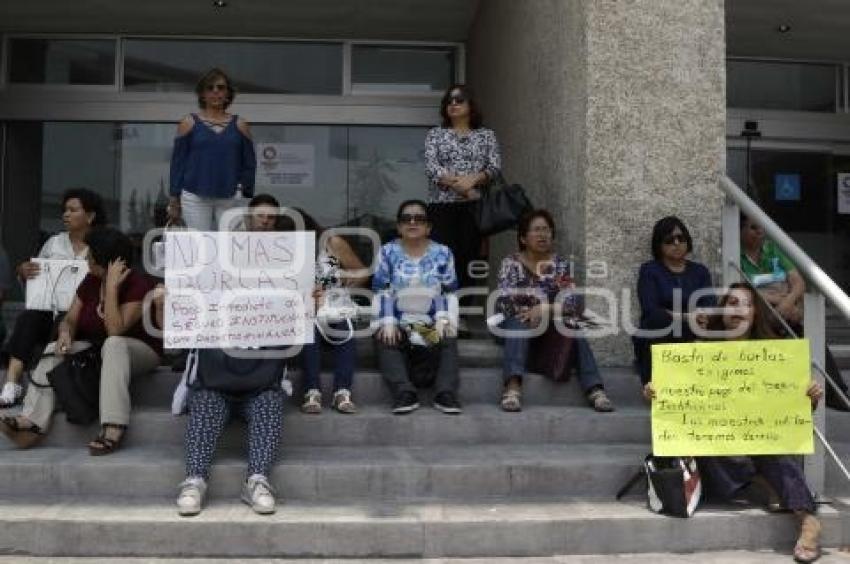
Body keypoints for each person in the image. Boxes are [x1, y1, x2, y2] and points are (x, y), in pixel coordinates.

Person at [644, 282, 823, 563]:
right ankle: (762, 484)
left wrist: (810, 398)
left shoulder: (776, 355)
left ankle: (808, 520)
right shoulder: (699, 351)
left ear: (755, 315)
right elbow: (676, 407)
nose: (738, 309)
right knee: (701, 443)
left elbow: (791, 416)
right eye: (732, 303)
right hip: (718, 451)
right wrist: (655, 392)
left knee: (772, 450)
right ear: (722, 311)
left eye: (746, 304)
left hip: (761, 442)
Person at [0, 227, 161, 455]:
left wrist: (112, 287)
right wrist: (65, 333)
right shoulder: (90, 280)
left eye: (91, 255)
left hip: (138, 351)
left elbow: (115, 330)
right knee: (52, 349)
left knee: (113, 344)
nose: (85, 258)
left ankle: (113, 426)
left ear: (106, 262)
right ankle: (31, 422)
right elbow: (71, 319)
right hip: (96, 349)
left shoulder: (138, 285)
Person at [496, 210, 614, 413]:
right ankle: (513, 387)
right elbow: (506, 301)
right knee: (517, 322)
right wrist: (531, 313)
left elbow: (573, 303)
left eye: (547, 230)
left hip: (547, 325)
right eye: (537, 230)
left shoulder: (559, 265)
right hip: (514, 323)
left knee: (573, 328)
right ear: (523, 238)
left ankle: (595, 389)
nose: (543, 235)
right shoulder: (511, 263)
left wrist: (545, 309)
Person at [0, 188, 106, 407]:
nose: (65, 214)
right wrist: (24, 271)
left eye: (72, 210)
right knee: (29, 318)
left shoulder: (102, 244)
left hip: (83, 316)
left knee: (62, 323)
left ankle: (47, 390)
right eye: (64, 210)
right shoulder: (54, 243)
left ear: (90, 216)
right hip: (50, 310)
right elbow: (36, 278)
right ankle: (11, 382)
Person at [741, 214, 849, 409]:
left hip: (786, 310)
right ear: (740, 231)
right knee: (795, 332)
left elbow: (798, 282)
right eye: (753, 228)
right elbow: (748, 291)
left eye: (761, 228)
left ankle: (836, 390)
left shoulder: (773, 249)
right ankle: (828, 393)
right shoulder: (737, 256)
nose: (760, 232)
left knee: (811, 334)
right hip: (763, 313)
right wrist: (780, 301)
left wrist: (789, 303)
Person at [372, 200, 461, 415]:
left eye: (419, 219)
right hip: (399, 321)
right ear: (399, 226)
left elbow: (449, 291)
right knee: (386, 337)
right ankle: (404, 393)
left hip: (428, 325)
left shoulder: (443, 252)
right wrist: (388, 322)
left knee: (446, 337)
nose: (412, 222)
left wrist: (444, 319)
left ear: (428, 227)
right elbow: (381, 290)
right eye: (406, 219)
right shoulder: (387, 252)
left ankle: (445, 394)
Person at [276, 207, 368, 414]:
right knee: (309, 328)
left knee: (344, 327)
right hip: (304, 313)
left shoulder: (331, 242)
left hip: (335, 307)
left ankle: (342, 392)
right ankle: (311, 391)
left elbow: (361, 271)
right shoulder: (283, 253)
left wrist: (344, 281)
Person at [424, 84, 501, 330]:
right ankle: (443, 311)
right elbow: (432, 168)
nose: (453, 104)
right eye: (449, 101)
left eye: (459, 100)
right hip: (442, 206)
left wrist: (474, 182)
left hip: (473, 209)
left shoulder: (486, 135)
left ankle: (463, 315)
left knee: (468, 259)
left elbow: (494, 167)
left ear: (470, 105)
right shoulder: (435, 134)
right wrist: (464, 188)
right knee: (443, 259)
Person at [168, 67, 256, 231]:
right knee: (198, 245)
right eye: (210, 88)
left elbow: (249, 162)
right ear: (202, 94)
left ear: (228, 93)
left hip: (231, 195)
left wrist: (245, 193)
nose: (215, 92)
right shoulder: (188, 123)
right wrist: (174, 198)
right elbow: (178, 163)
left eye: (221, 87)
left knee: (231, 247)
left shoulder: (240, 125)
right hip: (194, 194)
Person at [634, 216, 714, 390]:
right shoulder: (650, 271)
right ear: (659, 245)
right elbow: (650, 308)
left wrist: (701, 318)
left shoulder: (700, 271)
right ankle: (653, 386)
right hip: (662, 330)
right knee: (656, 321)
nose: (676, 243)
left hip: (692, 330)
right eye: (669, 240)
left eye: (681, 238)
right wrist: (686, 316)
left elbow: (709, 304)